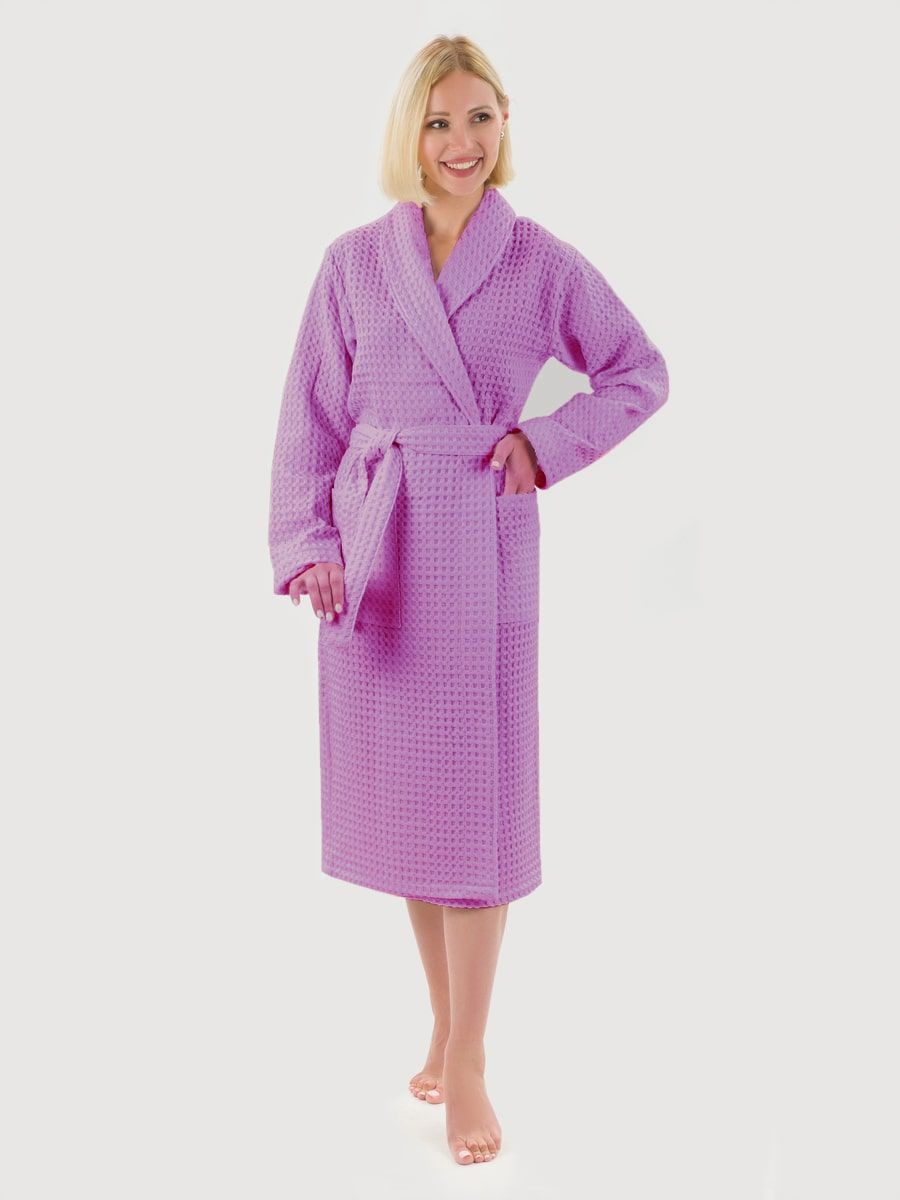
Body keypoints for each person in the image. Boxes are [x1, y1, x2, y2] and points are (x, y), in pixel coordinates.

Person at [268, 35, 669, 1166]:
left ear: (506, 124)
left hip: (480, 547)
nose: (462, 142)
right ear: (411, 131)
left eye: (481, 117)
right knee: (414, 811)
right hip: (378, 553)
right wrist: (309, 547)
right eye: (440, 121)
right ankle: (443, 1027)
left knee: (477, 811)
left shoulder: (540, 263)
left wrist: (545, 443)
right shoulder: (353, 263)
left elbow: (640, 371)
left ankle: (474, 1054)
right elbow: (310, 417)